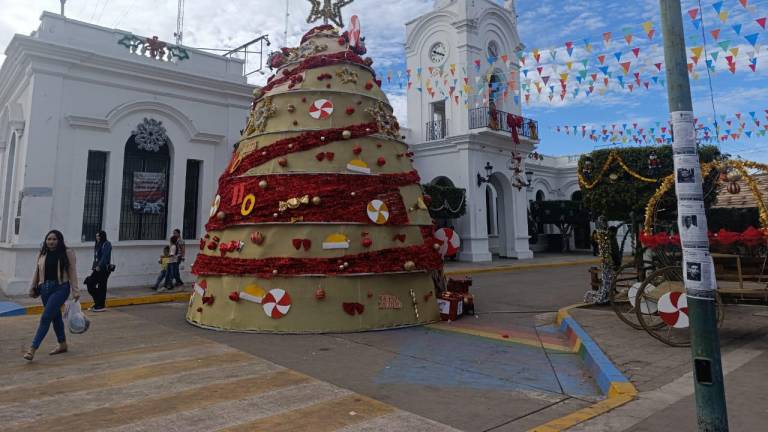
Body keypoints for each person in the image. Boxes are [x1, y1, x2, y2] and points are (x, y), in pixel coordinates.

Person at [24, 230, 80, 361]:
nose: (51, 241)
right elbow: (37, 271)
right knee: (56, 318)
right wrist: (33, 287)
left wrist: (75, 290)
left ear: (59, 240)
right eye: (49, 239)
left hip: (61, 288)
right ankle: (62, 344)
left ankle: (32, 349)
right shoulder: (42, 253)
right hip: (45, 289)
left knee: (46, 317)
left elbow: (72, 271)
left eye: (54, 239)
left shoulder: (67, 253)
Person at [85, 230, 112, 312]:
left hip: (103, 269)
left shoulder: (106, 244)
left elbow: (105, 257)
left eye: (99, 236)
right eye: (96, 236)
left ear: (102, 236)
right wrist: (94, 267)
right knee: (90, 283)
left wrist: (99, 266)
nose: (97, 237)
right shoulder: (98, 244)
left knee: (101, 286)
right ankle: (98, 302)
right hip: (97, 268)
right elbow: (96, 258)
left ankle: (100, 305)